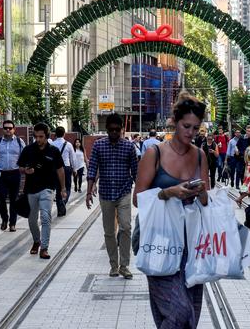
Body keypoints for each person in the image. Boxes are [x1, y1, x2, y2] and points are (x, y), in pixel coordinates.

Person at [133, 93, 209, 329]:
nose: (191, 132)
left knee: (191, 315)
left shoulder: (200, 155)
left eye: (196, 128)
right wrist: (169, 192)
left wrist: (200, 192)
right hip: (159, 240)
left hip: (191, 242)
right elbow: (138, 199)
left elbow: (206, 202)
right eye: (186, 126)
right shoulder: (154, 153)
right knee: (179, 311)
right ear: (174, 121)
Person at [86, 113, 138, 279]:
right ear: (107, 130)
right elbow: (92, 169)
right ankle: (113, 265)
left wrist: (140, 193)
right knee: (109, 232)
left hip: (124, 192)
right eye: (111, 130)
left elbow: (136, 172)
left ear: (122, 130)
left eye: (117, 130)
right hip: (106, 194)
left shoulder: (129, 147)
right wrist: (88, 191)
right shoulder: (99, 146)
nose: (114, 133)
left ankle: (125, 265)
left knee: (126, 227)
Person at [18, 123, 66, 259]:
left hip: (48, 188)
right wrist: (25, 170)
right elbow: (20, 167)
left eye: (41, 137)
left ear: (47, 136)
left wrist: (63, 188)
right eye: (36, 136)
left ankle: (44, 248)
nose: (38, 139)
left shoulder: (54, 151)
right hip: (31, 189)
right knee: (32, 220)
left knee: (46, 217)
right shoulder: (28, 150)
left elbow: (60, 169)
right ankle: (36, 241)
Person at [0, 120, 26, 231]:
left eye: (10, 128)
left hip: (15, 173)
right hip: (1, 174)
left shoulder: (19, 142)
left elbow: (25, 156)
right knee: (0, 198)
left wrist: (25, 168)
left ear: (14, 129)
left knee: (14, 199)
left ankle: (12, 224)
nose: (8, 130)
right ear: (2, 129)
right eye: (6, 128)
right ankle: (4, 218)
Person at [52, 126, 76, 208]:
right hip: (66, 168)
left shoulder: (52, 144)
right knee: (67, 187)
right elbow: (73, 158)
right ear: (64, 134)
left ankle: (59, 209)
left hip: (55, 168)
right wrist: (74, 169)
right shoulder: (68, 144)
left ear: (55, 134)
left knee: (58, 188)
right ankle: (64, 201)